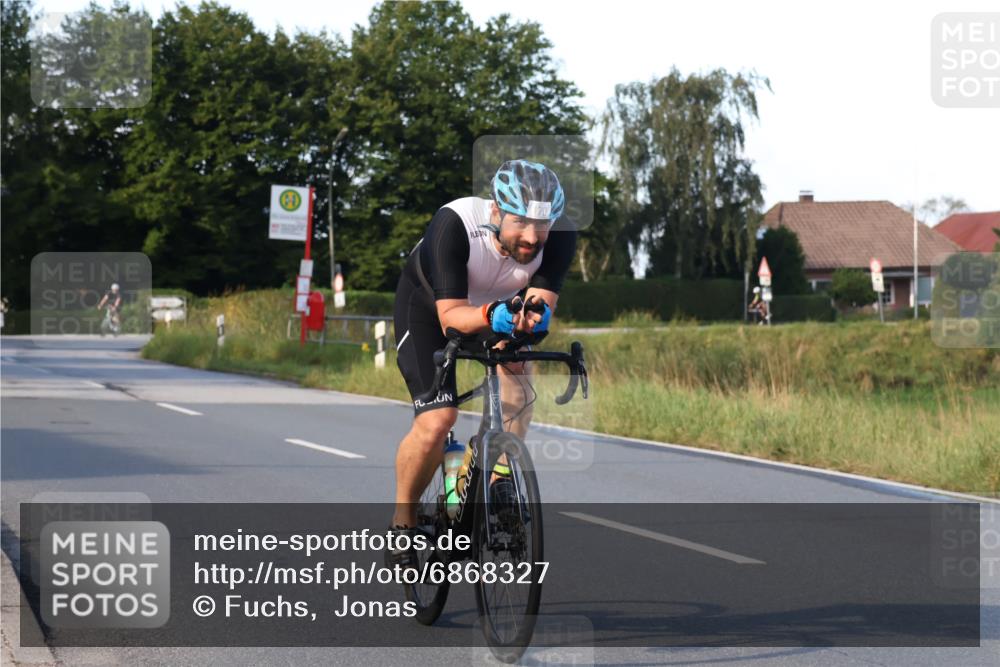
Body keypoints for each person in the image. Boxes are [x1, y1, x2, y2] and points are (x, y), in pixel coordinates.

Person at [388, 159, 577, 568]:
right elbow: (452, 317)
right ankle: (402, 521)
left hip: (495, 309)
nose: (531, 238)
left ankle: (500, 477)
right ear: (496, 211)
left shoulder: (559, 238)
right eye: (520, 223)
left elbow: (538, 312)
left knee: (520, 375)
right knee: (438, 420)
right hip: (430, 310)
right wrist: (496, 314)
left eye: (541, 226)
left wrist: (529, 323)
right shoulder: (453, 225)